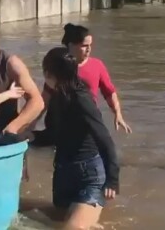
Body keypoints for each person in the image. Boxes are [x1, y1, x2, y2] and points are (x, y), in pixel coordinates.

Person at [34, 47, 120, 229]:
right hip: (63, 174)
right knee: (51, 222)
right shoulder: (58, 96)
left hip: (89, 176)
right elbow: (54, 136)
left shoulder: (82, 99)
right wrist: (28, 137)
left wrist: (112, 179)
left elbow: (104, 138)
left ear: (50, 73)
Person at [37, 24, 131, 134]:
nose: (89, 49)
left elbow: (109, 92)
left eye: (90, 45)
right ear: (71, 46)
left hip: (86, 121)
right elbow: (44, 100)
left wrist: (117, 114)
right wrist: (30, 124)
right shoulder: (59, 67)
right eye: (84, 45)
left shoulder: (97, 65)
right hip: (59, 123)